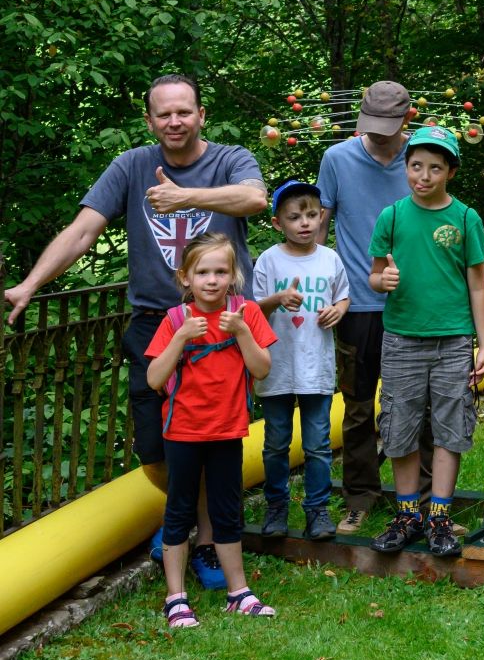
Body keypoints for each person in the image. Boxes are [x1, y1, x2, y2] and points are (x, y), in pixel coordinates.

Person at [5, 74, 266, 589]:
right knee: (153, 448)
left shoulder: (230, 158)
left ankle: (208, 544)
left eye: (184, 112)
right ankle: (183, 520)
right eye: (164, 114)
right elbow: (83, 229)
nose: (174, 121)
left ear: (200, 115)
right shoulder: (130, 165)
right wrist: (30, 284)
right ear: (150, 120)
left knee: (215, 442)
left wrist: (186, 196)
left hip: (220, 328)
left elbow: (255, 200)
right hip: (155, 327)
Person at [366, 126, 484, 559]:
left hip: (453, 340)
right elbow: (374, 274)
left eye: (434, 168)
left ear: (450, 172)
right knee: (399, 425)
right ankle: (407, 515)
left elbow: (478, 285)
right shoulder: (393, 216)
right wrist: (382, 280)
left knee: (449, 427)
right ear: (405, 167)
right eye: (416, 166)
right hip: (401, 339)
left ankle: (439, 517)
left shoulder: (464, 218)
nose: (423, 175)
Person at [145, 234, 279, 626]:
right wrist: (183, 338)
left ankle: (239, 592)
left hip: (227, 429)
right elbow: (155, 378)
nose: (212, 280)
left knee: (226, 510)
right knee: (180, 511)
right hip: (183, 432)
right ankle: (176, 598)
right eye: (202, 272)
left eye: (221, 271)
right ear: (185, 277)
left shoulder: (246, 313)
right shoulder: (175, 320)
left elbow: (262, 369)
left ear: (233, 275)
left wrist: (240, 332)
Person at [317, 80, 410, 534]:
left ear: (405, 121)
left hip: (412, 304)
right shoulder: (337, 159)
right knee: (356, 407)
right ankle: (359, 496)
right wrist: (317, 288)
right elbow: (319, 225)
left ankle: (423, 501)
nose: (376, 134)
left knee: (415, 402)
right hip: (354, 304)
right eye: (370, 125)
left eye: (386, 127)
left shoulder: (421, 161)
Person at [252, 180, 351, 541]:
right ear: (278, 222)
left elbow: (343, 298)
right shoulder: (268, 260)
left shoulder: (330, 258)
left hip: (316, 367)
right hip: (275, 367)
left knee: (318, 444)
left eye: (311, 214)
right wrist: (278, 298)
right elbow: (253, 310)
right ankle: (276, 507)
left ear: (321, 215)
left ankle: (318, 511)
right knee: (276, 443)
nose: (304, 223)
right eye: (295, 217)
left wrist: (337, 312)